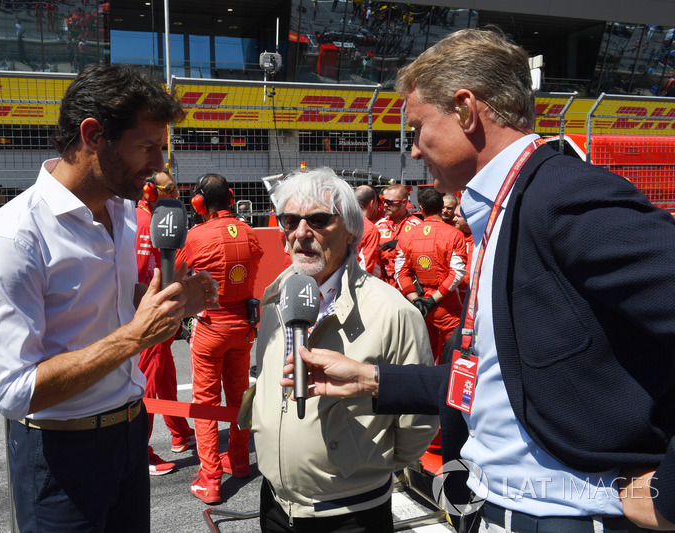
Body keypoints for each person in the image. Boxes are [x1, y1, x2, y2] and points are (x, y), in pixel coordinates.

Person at [282, 28, 675, 533]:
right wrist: (371, 379)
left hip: (561, 517)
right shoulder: (501, 210)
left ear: (466, 110)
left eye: (418, 128)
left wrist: (669, 493)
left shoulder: (561, 194)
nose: (415, 152)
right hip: (487, 505)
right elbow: (500, 381)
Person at [0, 64, 219, 533]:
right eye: (147, 146)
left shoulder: (122, 214)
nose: (159, 165)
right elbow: (14, 391)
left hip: (130, 433)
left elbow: (110, 308)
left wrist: (172, 304)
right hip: (60, 456)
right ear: (94, 135)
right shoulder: (11, 238)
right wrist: (134, 338)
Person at [248, 167, 438, 532]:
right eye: (290, 220)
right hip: (274, 502)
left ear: (351, 229)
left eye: (318, 220)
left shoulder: (394, 312)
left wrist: (366, 468)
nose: (301, 233)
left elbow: (418, 419)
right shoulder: (275, 298)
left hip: (351, 512)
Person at [175, 173, 263, 504]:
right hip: (243, 326)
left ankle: (210, 477)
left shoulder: (196, 236)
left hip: (211, 327)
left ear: (199, 202)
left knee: (205, 402)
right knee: (239, 397)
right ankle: (238, 461)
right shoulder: (249, 231)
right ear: (230, 196)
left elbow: (175, 276)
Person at [135, 169, 195, 476]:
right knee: (147, 383)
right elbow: (141, 277)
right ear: (149, 192)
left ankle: (179, 433)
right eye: (168, 189)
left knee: (166, 377)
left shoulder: (157, 220)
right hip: (151, 315)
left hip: (162, 312)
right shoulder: (144, 222)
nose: (175, 195)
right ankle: (140, 451)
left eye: (175, 189)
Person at [395, 187, 467, 364]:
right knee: (456, 356)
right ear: (441, 206)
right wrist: (433, 300)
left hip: (419, 306)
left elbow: (400, 272)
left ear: (421, 208)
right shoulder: (455, 234)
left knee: (423, 355)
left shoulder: (407, 236)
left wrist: (416, 300)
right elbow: (457, 273)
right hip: (447, 306)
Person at [375, 184, 421, 287]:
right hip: (384, 284)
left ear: (404, 202)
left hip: (409, 285)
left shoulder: (417, 225)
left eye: (389, 202)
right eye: (383, 201)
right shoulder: (378, 225)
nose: (385, 205)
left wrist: (400, 244)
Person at [355, 186, 382, 277]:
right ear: (372, 203)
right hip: (361, 281)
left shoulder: (341, 222)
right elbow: (367, 264)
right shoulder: (370, 229)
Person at [452, 203, 473, 303]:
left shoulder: (483, 238)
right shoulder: (453, 235)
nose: (454, 219)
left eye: (458, 216)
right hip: (456, 291)